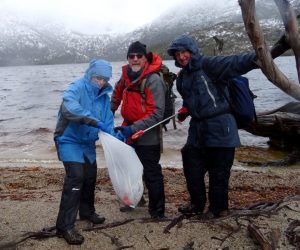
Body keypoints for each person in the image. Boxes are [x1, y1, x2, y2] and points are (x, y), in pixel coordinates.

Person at [167, 34, 258, 219]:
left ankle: (218, 210)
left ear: (192, 50)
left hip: (222, 127)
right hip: (198, 129)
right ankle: (196, 204)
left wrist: (265, 54)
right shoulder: (182, 78)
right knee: (190, 161)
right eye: (177, 54)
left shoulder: (210, 65)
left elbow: (238, 62)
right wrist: (186, 109)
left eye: (184, 52)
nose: (181, 57)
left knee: (219, 173)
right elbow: (193, 98)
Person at [54, 59, 115, 245]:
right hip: (68, 139)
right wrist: (94, 121)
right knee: (76, 178)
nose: (101, 82)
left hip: (87, 143)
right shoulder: (76, 87)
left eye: (105, 79)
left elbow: (108, 120)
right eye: (98, 78)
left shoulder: (104, 96)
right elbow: (69, 108)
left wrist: (117, 137)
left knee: (90, 176)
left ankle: (87, 212)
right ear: (90, 74)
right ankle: (64, 226)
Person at [111, 41, 167, 219]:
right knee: (129, 169)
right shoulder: (125, 77)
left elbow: (158, 113)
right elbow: (116, 96)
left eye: (139, 56)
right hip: (129, 130)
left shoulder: (153, 80)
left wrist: (133, 128)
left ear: (145, 58)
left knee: (151, 172)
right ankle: (134, 200)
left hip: (148, 132)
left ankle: (157, 211)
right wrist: (107, 114)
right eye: (131, 56)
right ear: (127, 59)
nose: (135, 59)